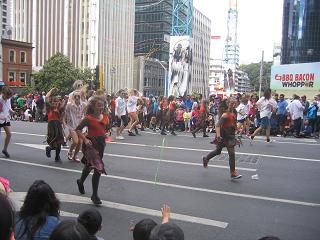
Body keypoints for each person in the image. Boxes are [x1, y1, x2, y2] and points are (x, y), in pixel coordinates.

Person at [76, 96, 109, 205]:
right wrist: (85, 140)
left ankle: (80, 182)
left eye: (102, 105)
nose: (101, 107)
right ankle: (95, 195)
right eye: (99, 105)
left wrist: (107, 134)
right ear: (93, 107)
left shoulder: (105, 117)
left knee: (89, 166)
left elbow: (106, 130)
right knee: (98, 168)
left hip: (101, 145)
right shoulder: (88, 119)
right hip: (90, 145)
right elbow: (78, 130)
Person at [202, 98, 242, 179]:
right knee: (218, 151)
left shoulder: (234, 112)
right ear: (227, 104)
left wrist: (237, 128)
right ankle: (206, 158)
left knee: (232, 153)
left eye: (235, 103)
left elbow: (233, 122)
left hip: (230, 136)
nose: (233, 105)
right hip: (222, 135)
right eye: (232, 103)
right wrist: (219, 135)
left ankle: (233, 172)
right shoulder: (225, 115)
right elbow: (217, 125)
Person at [45, 88, 68, 163]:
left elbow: (64, 107)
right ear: (51, 102)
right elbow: (46, 97)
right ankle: (50, 148)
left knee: (60, 142)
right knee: (53, 141)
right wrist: (52, 89)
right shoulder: (49, 108)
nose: (56, 102)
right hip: (52, 126)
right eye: (54, 101)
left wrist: (66, 100)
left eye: (57, 101)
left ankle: (57, 157)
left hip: (58, 125)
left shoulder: (59, 109)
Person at [64, 92, 85, 162]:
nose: (77, 98)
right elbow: (64, 114)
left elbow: (86, 114)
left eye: (78, 96)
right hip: (72, 126)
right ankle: (70, 152)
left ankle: (75, 156)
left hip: (80, 126)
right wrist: (64, 122)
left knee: (80, 142)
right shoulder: (69, 105)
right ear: (73, 97)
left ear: (80, 97)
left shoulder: (83, 105)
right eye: (75, 96)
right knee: (76, 142)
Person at [0, 87, 14, 158]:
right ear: (3, 94)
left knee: (9, 134)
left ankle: (4, 149)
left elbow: (8, 107)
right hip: (0, 118)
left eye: (9, 97)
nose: (8, 98)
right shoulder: (0, 100)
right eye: (7, 96)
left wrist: (11, 111)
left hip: (5, 118)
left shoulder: (8, 99)